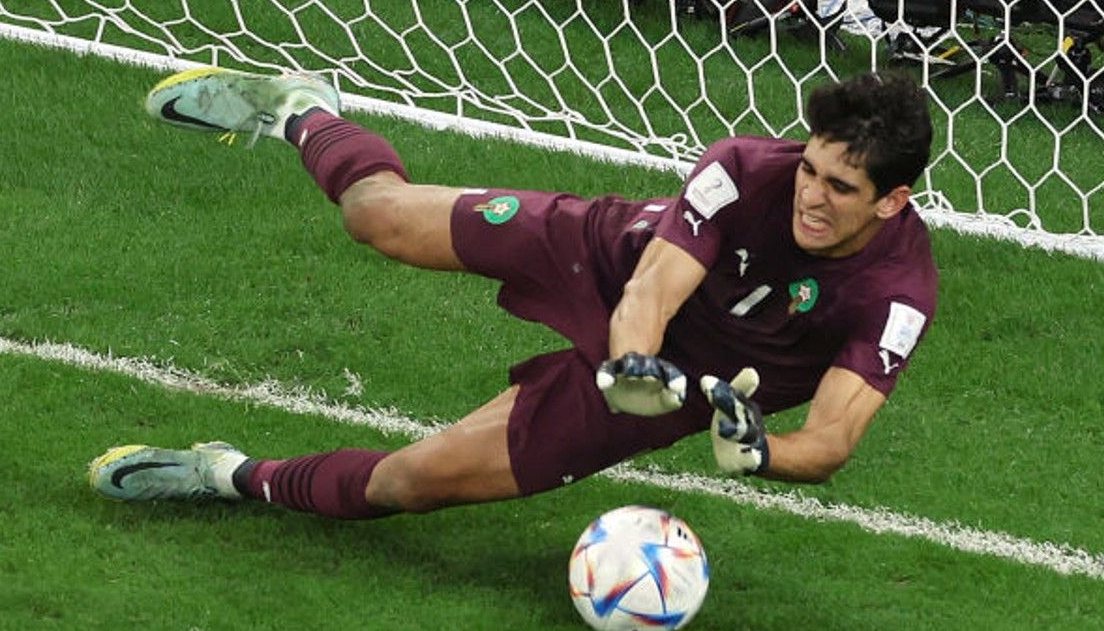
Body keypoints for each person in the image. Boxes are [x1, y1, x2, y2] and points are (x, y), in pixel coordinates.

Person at [89, 66, 938, 518]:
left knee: (410, 483)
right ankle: (300, 111)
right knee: (377, 218)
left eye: (842, 190)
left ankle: (227, 476)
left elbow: (831, 439)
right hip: (603, 259)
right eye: (814, 169)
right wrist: (632, 361)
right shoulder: (747, 169)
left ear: (893, 201)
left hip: (670, 392)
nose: (812, 197)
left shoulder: (898, 292)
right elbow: (651, 288)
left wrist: (761, 451)